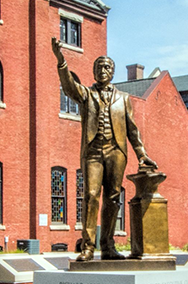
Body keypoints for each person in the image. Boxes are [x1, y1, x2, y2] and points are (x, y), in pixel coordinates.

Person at [52, 37, 158, 261]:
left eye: (107, 67)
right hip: (92, 151)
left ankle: (108, 246)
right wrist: (61, 59)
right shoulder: (86, 94)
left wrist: (141, 154)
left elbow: (132, 130)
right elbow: (69, 86)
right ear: (94, 72)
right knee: (91, 195)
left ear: (113, 72)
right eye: (99, 67)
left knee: (112, 197)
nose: (103, 70)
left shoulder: (123, 99)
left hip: (116, 151)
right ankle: (88, 247)